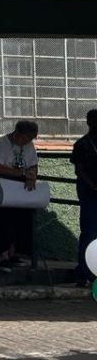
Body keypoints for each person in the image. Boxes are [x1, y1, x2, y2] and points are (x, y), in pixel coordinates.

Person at [0, 119, 40, 272]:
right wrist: (22, 173)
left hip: (21, 186)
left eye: (30, 139)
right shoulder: (1, 144)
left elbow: (33, 164)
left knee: (19, 221)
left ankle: (13, 253)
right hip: (2, 185)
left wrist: (31, 175)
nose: (27, 142)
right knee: (3, 222)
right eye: (25, 138)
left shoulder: (29, 146)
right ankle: (3, 256)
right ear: (17, 134)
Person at [71, 109, 97, 286]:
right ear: (89, 123)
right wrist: (94, 186)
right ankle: (84, 272)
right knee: (89, 233)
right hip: (90, 196)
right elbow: (79, 170)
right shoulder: (82, 144)